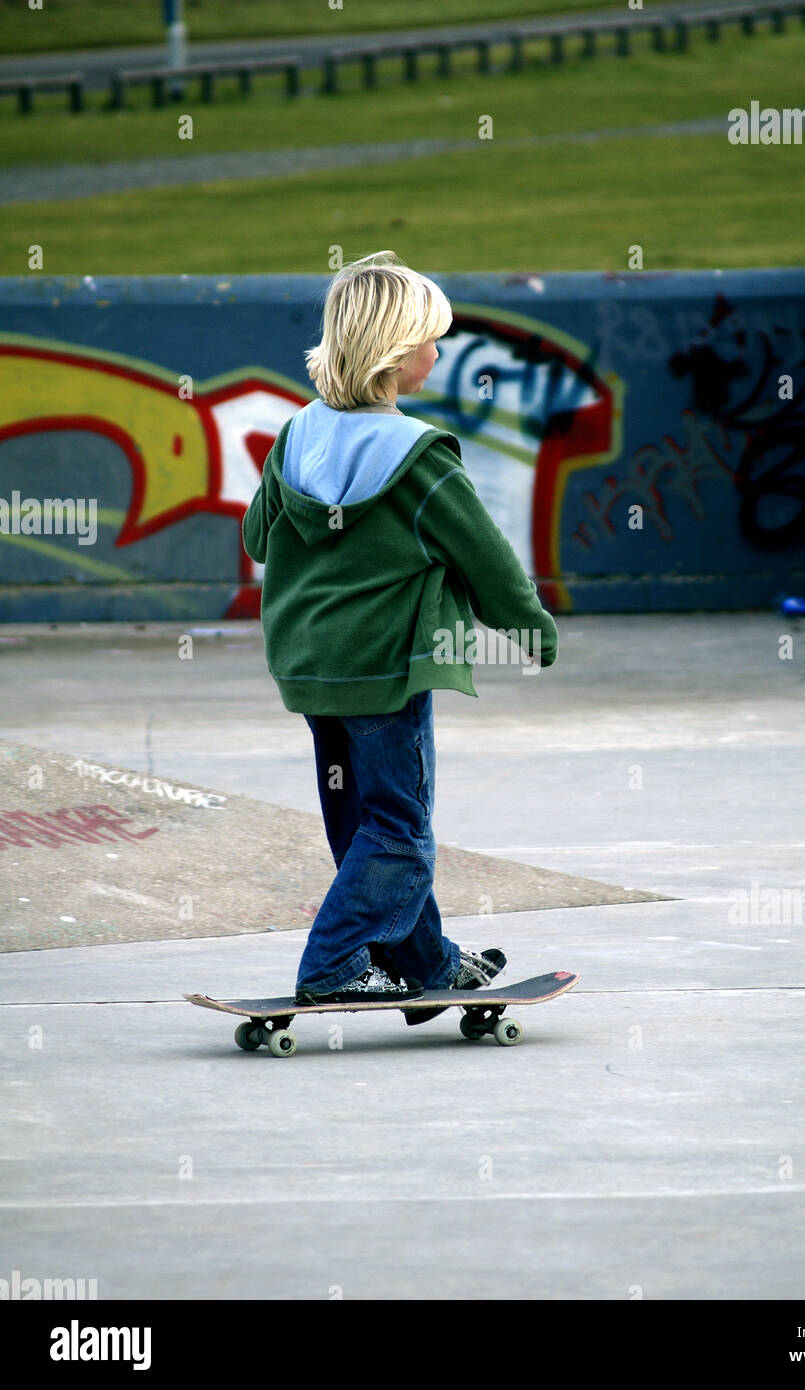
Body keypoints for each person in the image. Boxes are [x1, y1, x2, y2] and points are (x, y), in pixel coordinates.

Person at [241, 251, 558, 1020]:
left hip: (314, 666)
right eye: (430, 341)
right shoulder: (419, 458)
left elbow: (258, 537)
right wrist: (532, 630)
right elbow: (487, 560)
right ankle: (334, 965)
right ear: (394, 353)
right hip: (387, 669)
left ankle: (428, 963)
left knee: (362, 822)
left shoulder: (296, 438)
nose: (438, 354)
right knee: (402, 830)